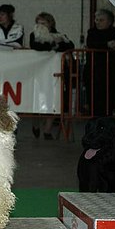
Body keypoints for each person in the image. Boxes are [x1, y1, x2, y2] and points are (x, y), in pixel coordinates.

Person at [29, 12, 75, 140]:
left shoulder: (60, 35)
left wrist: (54, 44)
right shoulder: (34, 35)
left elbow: (70, 46)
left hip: (55, 73)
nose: (40, 25)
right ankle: (36, 123)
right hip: (39, 72)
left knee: (53, 99)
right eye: (38, 23)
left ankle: (47, 130)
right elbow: (36, 46)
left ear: (50, 24)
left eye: (43, 23)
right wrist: (54, 45)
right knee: (37, 98)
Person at [84, 9, 115, 116]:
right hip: (94, 70)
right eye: (96, 19)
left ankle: (109, 115)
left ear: (109, 21)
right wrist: (107, 44)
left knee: (109, 95)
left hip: (111, 70)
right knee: (94, 95)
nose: (97, 22)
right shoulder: (92, 32)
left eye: (101, 20)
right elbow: (91, 43)